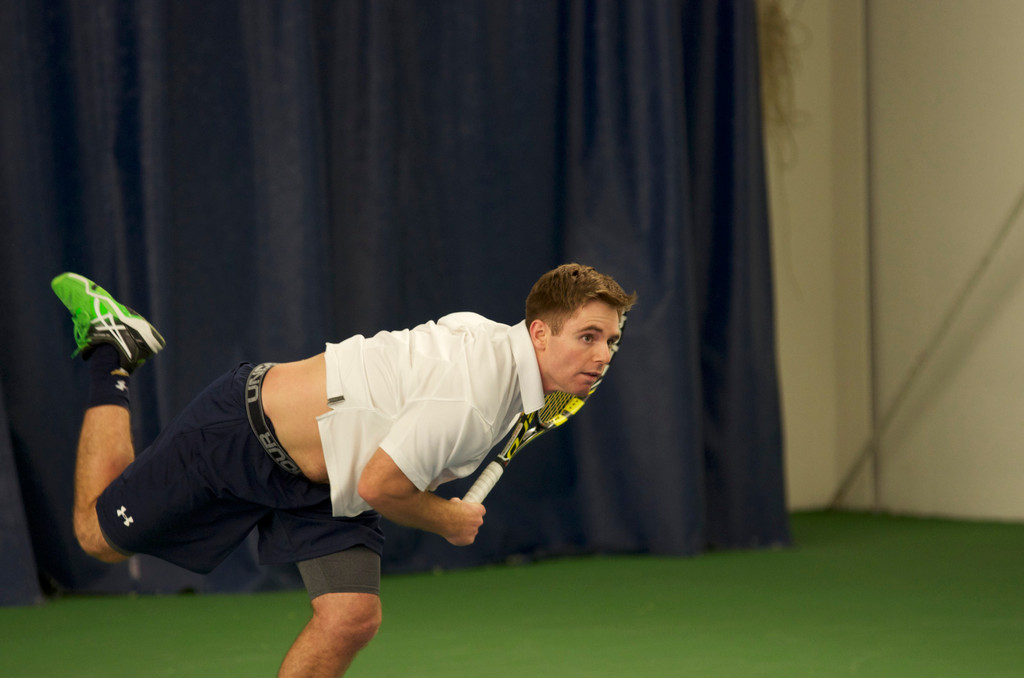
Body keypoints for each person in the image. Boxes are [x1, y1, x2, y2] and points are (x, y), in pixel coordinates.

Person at [52, 263, 636, 677]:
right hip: (242, 436)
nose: (603, 355)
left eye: (611, 339)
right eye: (588, 337)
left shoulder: (494, 345)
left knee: (350, 617)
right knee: (97, 537)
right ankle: (113, 351)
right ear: (539, 332)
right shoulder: (476, 399)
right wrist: (448, 521)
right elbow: (380, 486)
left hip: (321, 481)